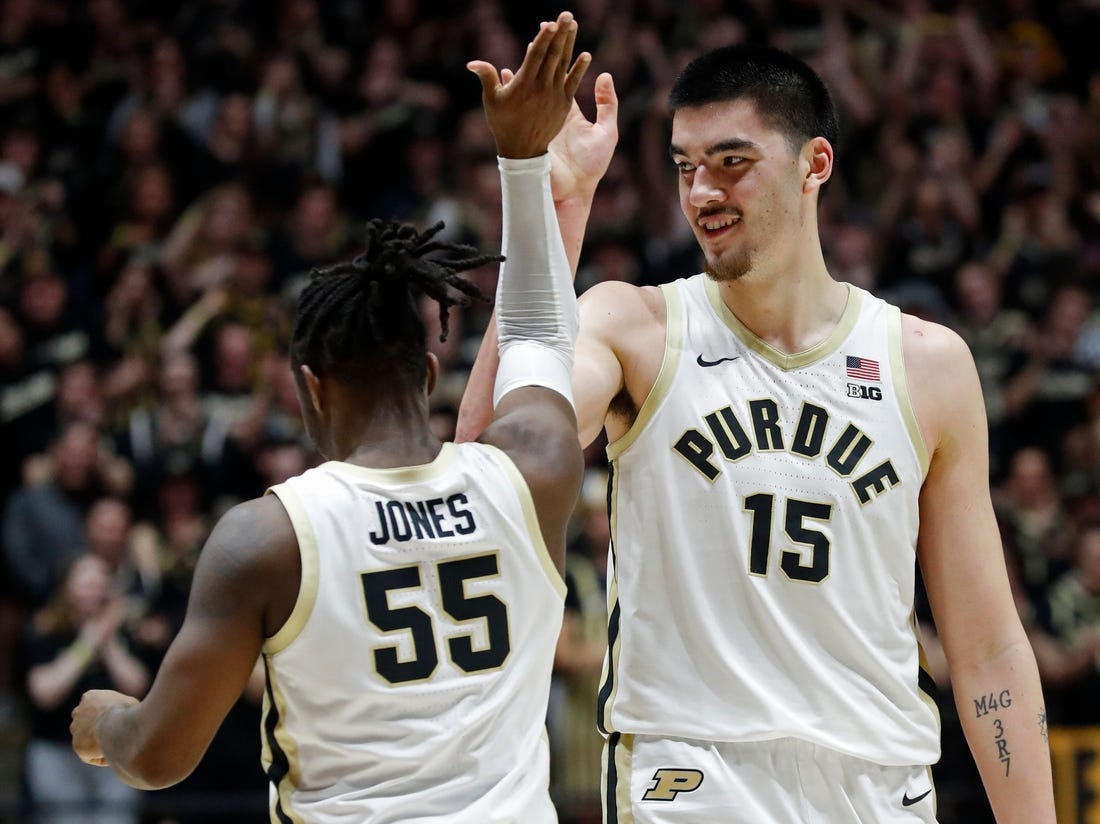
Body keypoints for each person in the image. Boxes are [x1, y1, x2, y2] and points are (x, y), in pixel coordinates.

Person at [459, 30, 1056, 823]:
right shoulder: (635, 326)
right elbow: (489, 467)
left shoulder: (927, 364)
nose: (701, 190)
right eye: (683, 166)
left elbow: (987, 651)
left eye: (731, 162)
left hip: (880, 781)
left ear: (815, 164)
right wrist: (554, 206)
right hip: (692, 776)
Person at [70, 17, 590, 822]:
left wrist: (106, 721)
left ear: (310, 386)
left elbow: (159, 758)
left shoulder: (267, 538)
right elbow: (537, 332)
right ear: (427, 373)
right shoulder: (533, 474)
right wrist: (524, 160)